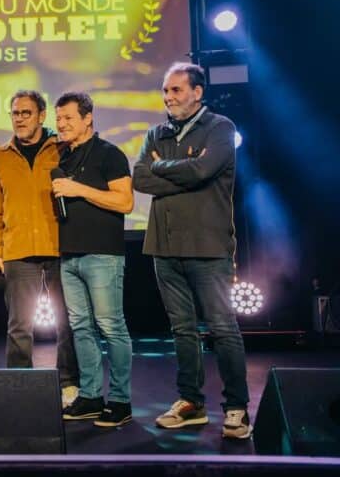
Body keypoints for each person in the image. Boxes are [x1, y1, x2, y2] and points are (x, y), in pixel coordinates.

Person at [132, 62, 251, 439]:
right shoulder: (156, 132)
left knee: (222, 328)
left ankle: (236, 408)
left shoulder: (220, 128)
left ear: (197, 92)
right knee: (182, 330)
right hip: (164, 247)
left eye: (176, 90)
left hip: (208, 247)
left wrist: (164, 167)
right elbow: (139, 177)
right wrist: (184, 173)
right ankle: (190, 402)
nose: (168, 98)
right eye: (165, 91)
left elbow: (203, 171)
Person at [0, 90, 80, 408]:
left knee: (67, 322)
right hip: (18, 251)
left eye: (26, 113)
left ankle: (69, 384)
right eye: (15, 113)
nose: (20, 119)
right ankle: (20, 385)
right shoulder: (1, 156)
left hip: (59, 247)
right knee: (19, 326)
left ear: (41, 115)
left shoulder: (62, 149)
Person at [51, 92, 135, 427]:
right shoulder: (64, 156)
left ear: (88, 118)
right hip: (69, 256)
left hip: (102, 255)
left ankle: (121, 401)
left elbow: (125, 202)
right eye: (58, 118)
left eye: (68, 118)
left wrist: (80, 190)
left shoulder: (109, 154)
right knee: (81, 328)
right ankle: (90, 396)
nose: (61, 124)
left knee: (111, 326)